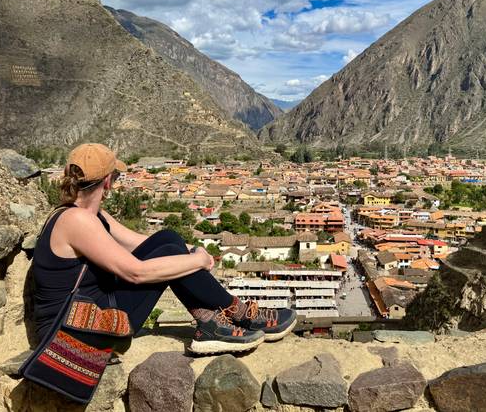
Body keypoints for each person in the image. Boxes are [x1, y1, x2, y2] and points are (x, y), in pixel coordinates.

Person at [32, 143, 297, 354]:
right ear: (108, 182)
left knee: (168, 238)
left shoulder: (85, 214)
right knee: (171, 252)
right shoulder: (77, 221)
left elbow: (140, 242)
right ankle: (239, 313)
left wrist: (188, 249)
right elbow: (136, 273)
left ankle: (211, 323)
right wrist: (198, 262)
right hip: (77, 329)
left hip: (89, 312)